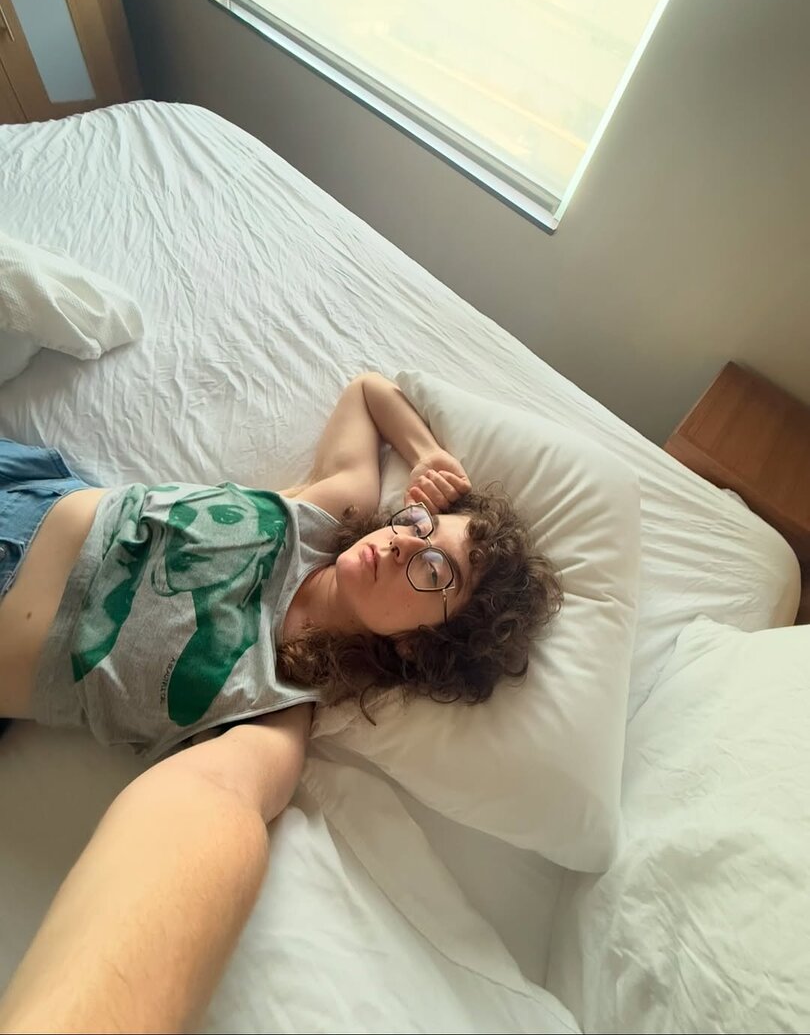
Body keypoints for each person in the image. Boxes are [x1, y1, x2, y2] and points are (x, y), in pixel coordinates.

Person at [0, 371, 562, 1030]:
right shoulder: (328, 513)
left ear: (421, 645)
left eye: (434, 569)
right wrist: (426, 454)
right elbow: (367, 392)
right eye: (421, 525)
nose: (404, 541)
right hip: (31, 483)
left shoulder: (274, 713)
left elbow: (213, 808)